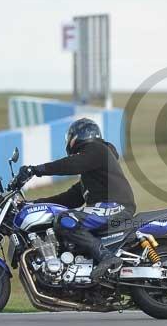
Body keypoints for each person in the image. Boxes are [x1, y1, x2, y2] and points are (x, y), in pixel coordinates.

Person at [16, 117, 136, 279]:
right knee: (63, 216)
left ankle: (106, 257)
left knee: (65, 219)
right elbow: (69, 198)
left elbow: (70, 164)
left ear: (77, 137)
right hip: (109, 208)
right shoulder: (92, 173)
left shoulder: (98, 149)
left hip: (116, 207)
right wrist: (33, 204)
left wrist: (36, 170)